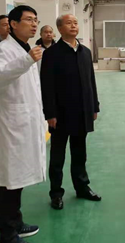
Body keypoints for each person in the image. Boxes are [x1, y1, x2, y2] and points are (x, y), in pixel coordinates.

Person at [0, 5, 46, 243]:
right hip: (12, 125)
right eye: (28, 20)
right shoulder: (2, 49)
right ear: (12, 24)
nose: (34, 24)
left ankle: (16, 223)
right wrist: (27, 60)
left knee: (18, 178)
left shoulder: (24, 49)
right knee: (10, 180)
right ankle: (7, 237)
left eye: (35, 20)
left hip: (24, 122)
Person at [41, 14, 101, 211]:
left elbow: (91, 82)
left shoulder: (85, 52)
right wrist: (50, 113)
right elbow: (47, 86)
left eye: (75, 23)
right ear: (60, 29)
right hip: (60, 114)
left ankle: (82, 187)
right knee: (57, 156)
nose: (74, 26)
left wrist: (94, 106)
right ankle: (56, 193)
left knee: (79, 153)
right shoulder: (52, 54)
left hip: (82, 111)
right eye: (69, 23)